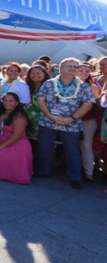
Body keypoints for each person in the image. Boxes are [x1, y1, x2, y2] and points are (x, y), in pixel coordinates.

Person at [37, 58, 94, 189]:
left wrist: (71, 119)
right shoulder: (49, 83)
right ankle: (43, 171)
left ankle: (75, 178)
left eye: (75, 66)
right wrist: (50, 116)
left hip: (71, 124)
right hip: (47, 122)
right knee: (44, 148)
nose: (72, 68)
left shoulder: (84, 86)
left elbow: (88, 104)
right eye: (69, 66)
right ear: (61, 68)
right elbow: (41, 100)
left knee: (72, 151)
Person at [0, 93, 33, 184]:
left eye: (11, 101)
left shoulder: (19, 116)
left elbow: (17, 135)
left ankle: (3, 172)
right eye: (5, 101)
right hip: (1, 141)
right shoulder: (3, 114)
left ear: (16, 103)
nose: (7, 103)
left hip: (16, 144)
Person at [77, 62, 101, 181]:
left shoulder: (93, 88)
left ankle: (88, 173)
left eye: (87, 71)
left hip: (88, 119)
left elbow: (94, 106)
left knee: (86, 144)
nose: (84, 73)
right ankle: (75, 167)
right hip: (72, 119)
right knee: (73, 144)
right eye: (81, 70)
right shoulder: (68, 85)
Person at [24, 65, 51, 171]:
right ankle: (33, 165)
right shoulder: (27, 86)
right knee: (32, 143)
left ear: (44, 74)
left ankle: (43, 168)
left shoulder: (49, 86)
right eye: (33, 73)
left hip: (43, 118)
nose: (35, 75)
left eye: (38, 73)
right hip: (29, 118)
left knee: (43, 144)